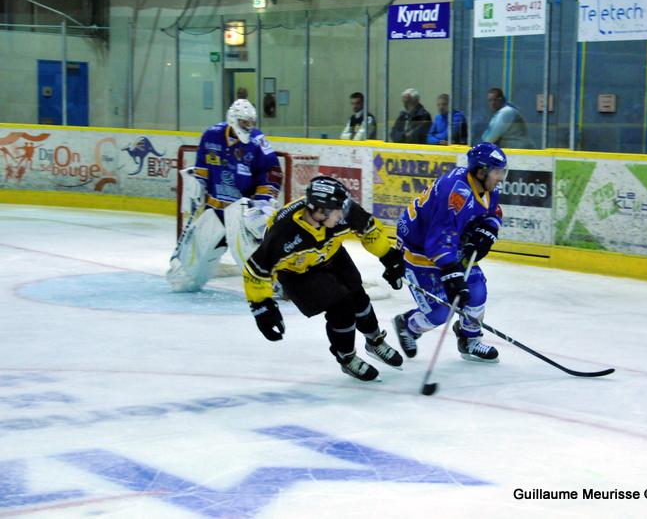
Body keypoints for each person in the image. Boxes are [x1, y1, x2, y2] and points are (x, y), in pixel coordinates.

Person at [243, 176, 406, 381]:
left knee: (358, 295)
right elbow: (256, 270)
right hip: (297, 271)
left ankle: (375, 341)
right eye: (338, 211)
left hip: (330, 252)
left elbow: (369, 230)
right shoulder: (283, 234)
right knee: (342, 309)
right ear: (319, 211)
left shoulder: (341, 210)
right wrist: (262, 307)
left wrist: (389, 257)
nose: (343, 214)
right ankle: (346, 358)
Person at [392, 142, 507, 362]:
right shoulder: (456, 193)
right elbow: (439, 236)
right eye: (496, 172)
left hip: (449, 242)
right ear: (481, 171)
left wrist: (488, 229)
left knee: (476, 291)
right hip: (419, 248)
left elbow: (493, 211)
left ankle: (469, 339)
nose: (500, 177)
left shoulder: (488, 186)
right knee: (441, 312)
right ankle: (409, 325)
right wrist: (451, 272)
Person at [166, 99, 283, 292]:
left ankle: (276, 284)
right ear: (233, 119)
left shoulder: (257, 142)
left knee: (249, 253)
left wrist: (264, 202)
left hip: (241, 212)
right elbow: (202, 167)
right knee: (193, 264)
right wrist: (197, 184)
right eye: (245, 122)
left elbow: (272, 173)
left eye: (251, 123)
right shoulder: (211, 136)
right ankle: (188, 277)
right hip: (215, 210)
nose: (248, 126)